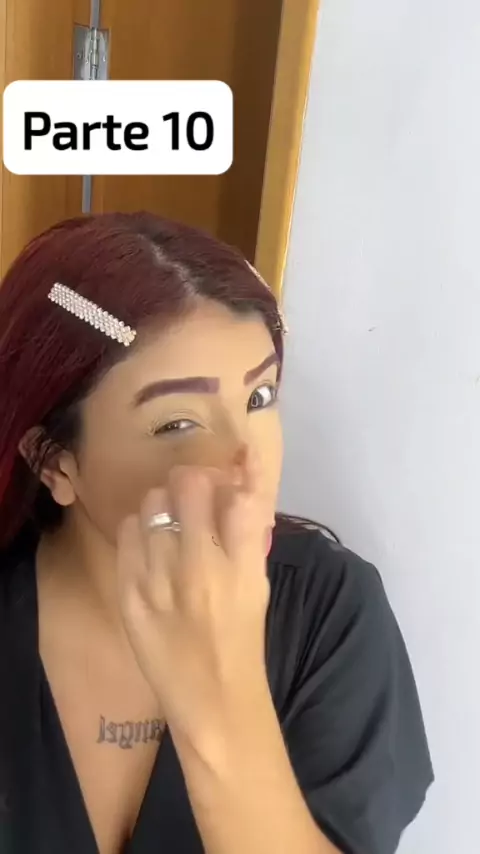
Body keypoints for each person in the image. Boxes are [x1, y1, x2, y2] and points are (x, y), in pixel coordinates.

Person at [0, 212, 433, 854]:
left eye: (259, 399)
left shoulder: (330, 611)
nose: (249, 470)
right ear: (54, 462)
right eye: (177, 423)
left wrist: (219, 701)